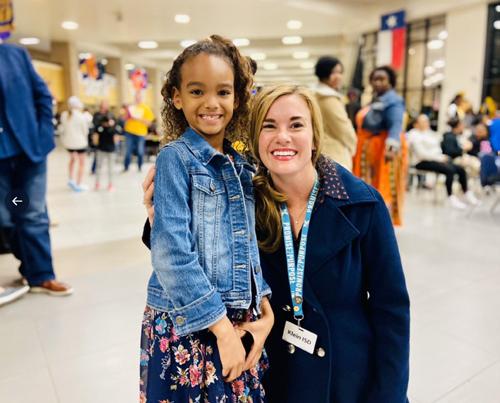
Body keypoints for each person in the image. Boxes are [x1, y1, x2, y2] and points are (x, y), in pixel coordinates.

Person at [141, 84, 410, 402]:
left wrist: (389, 396)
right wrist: (160, 218)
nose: (283, 137)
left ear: (314, 136)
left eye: (296, 125)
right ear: (255, 139)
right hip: (269, 372)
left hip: (345, 380)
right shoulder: (239, 201)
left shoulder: (361, 205)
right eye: (269, 126)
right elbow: (190, 255)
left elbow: (391, 309)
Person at [138, 35, 273, 402]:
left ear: (238, 98)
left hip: (238, 320)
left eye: (223, 92)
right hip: (191, 322)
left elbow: (244, 245)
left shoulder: (240, 164)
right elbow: (171, 255)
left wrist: (264, 308)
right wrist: (223, 331)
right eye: (197, 91)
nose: (211, 103)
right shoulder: (175, 158)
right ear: (177, 97)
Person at [0, 41, 73, 306]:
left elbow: (42, 95)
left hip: (28, 153)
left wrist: (43, 136)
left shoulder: (14, 54)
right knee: (6, 217)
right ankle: (29, 267)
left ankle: (41, 276)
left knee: (31, 214)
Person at [353, 65, 408, 225]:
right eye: (374, 79)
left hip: (383, 151)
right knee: (370, 186)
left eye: (382, 79)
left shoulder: (393, 100)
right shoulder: (377, 99)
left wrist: (391, 148)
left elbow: (395, 125)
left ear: (390, 82)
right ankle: (371, 223)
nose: (377, 82)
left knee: (383, 187)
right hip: (370, 149)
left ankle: (381, 225)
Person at [408, 114, 477, 209]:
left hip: (437, 159)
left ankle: (466, 192)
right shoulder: (414, 135)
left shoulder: (430, 133)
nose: (426, 123)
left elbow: (437, 149)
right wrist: (439, 158)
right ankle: (450, 197)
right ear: (416, 124)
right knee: (449, 170)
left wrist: (442, 157)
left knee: (460, 169)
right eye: (423, 122)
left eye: (427, 121)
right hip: (422, 162)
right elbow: (422, 154)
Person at [313, 56, 357, 171]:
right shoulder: (328, 98)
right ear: (323, 73)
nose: (339, 77)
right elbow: (343, 128)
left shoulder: (315, 95)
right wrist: (353, 146)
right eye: (334, 72)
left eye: (340, 72)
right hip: (335, 155)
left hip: (322, 152)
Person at [60, 96, 90, 191]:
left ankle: (71, 179)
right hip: (80, 143)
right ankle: (78, 184)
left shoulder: (64, 115)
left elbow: (62, 129)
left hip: (69, 143)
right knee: (81, 163)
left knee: (72, 160)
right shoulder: (81, 116)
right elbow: (85, 131)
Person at [123, 90, 154, 172]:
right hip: (129, 132)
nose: (137, 99)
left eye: (139, 97)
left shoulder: (146, 108)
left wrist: (139, 118)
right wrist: (127, 115)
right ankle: (126, 167)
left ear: (142, 98)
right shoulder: (130, 107)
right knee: (128, 151)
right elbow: (124, 118)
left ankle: (139, 167)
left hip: (141, 133)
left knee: (140, 151)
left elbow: (149, 123)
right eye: (136, 97)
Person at [93, 106, 118, 191]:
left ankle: (107, 184)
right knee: (104, 167)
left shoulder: (105, 127)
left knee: (105, 167)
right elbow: (116, 139)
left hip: (106, 149)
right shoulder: (107, 128)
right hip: (104, 149)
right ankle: (100, 184)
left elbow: (95, 138)